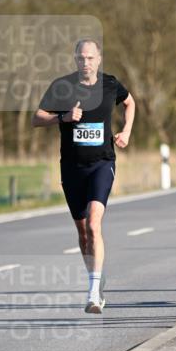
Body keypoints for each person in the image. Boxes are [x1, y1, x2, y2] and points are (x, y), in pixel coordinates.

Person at [32, 39, 136, 313]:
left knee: (93, 224)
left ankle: (92, 291)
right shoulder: (62, 86)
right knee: (82, 232)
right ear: (75, 59)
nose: (85, 63)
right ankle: (96, 278)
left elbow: (130, 103)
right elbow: (36, 117)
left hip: (102, 163)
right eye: (81, 58)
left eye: (90, 58)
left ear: (99, 59)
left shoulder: (111, 84)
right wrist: (62, 117)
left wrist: (126, 132)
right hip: (71, 167)